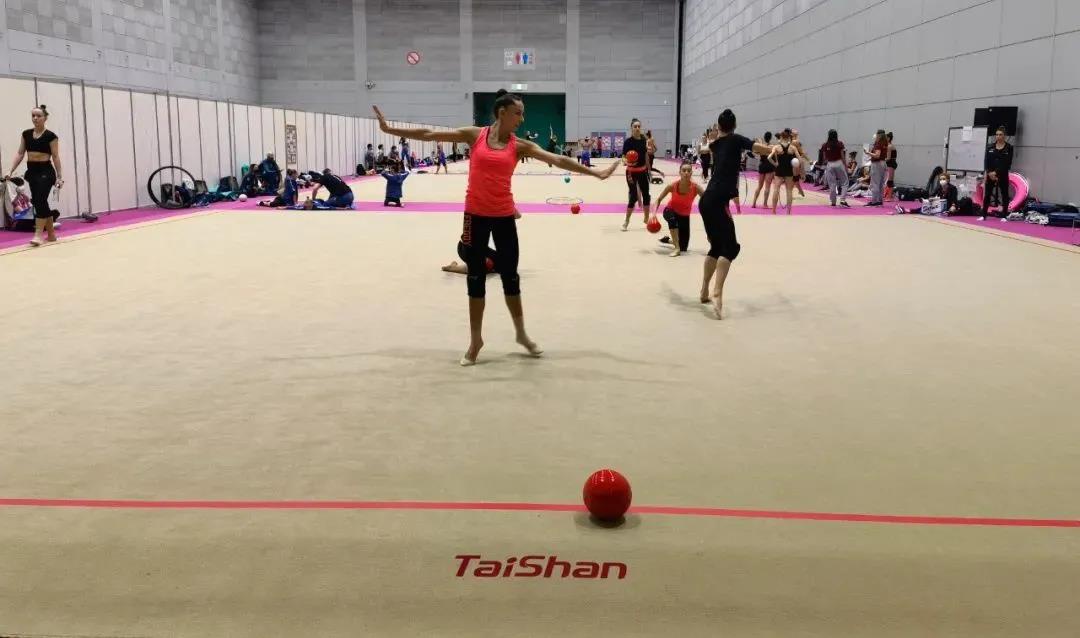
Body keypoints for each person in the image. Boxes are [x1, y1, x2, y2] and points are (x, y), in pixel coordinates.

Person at [373, 89, 619, 366]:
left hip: (503, 217)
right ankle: (475, 341)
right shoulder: (475, 135)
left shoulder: (519, 145)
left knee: (510, 276)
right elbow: (429, 134)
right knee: (475, 278)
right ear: (502, 113)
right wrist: (389, 129)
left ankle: (521, 334)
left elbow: (557, 159)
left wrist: (595, 172)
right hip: (474, 216)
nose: (522, 119)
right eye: (518, 113)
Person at [699, 109, 774, 319]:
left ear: (719, 126)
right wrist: (775, 148)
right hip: (717, 201)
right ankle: (717, 292)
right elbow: (757, 147)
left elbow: (707, 147)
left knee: (716, 247)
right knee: (730, 247)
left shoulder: (715, 144)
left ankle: (704, 290)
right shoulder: (735, 139)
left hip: (706, 201)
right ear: (734, 126)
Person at [5, 105, 64, 246]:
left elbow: (55, 157)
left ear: (45, 118)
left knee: (39, 200)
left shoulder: (51, 136)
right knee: (39, 202)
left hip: (46, 171)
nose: (35, 118)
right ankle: (51, 234)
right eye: (33, 116)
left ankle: (38, 234)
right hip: (32, 171)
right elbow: (20, 153)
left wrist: (59, 177)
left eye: (38, 116)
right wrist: (10, 170)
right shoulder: (26, 134)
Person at [652, 161, 704, 257]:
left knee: (684, 247)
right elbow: (658, 199)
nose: (686, 173)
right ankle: (676, 248)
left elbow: (707, 200)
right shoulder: (672, 186)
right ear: (680, 172)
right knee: (672, 220)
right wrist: (654, 215)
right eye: (684, 170)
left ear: (691, 173)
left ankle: (669, 240)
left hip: (684, 216)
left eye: (689, 171)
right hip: (670, 211)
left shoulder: (696, 187)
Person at [621, 118, 651, 231]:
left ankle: (646, 218)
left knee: (646, 195)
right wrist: (625, 161)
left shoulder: (644, 140)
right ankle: (626, 221)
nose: (637, 128)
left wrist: (649, 169)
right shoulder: (628, 142)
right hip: (631, 172)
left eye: (639, 126)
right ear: (631, 128)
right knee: (633, 196)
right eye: (635, 126)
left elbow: (647, 154)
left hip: (642, 171)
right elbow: (623, 156)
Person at [983, 126, 1013, 216]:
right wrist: (989, 173)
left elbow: (1007, 163)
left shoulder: (1009, 147)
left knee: (1004, 194)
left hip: (1002, 174)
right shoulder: (990, 147)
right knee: (987, 194)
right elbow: (986, 161)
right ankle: (983, 215)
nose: (998, 136)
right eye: (997, 135)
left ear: (1004, 136)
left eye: (1000, 135)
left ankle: (1004, 215)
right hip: (990, 174)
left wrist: (996, 173)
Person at [768, 129, 798, 215]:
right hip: (789, 170)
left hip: (779, 169)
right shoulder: (793, 148)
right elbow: (799, 160)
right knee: (789, 191)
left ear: (781, 137)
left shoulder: (776, 147)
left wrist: (775, 164)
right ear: (788, 138)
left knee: (776, 189)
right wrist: (796, 166)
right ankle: (788, 212)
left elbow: (769, 158)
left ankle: (773, 211)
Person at [820, 130, 850, 208]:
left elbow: (824, 158)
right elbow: (842, 156)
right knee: (845, 182)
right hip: (839, 163)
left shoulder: (825, 145)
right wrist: (846, 166)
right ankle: (842, 200)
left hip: (830, 164)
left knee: (832, 184)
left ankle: (833, 201)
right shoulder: (840, 143)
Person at [750, 131, 774, 208]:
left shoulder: (761, 146)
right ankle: (765, 204)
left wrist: (759, 143)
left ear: (764, 137)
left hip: (762, 165)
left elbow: (755, 152)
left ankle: (754, 203)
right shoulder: (772, 146)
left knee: (759, 186)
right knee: (767, 186)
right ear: (770, 138)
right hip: (769, 165)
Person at [865, 129, 889, 206]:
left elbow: (877, 155)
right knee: (881, 183)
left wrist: (868, 153)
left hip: (877, 164)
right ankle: (879, 200)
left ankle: (874, 201)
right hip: (883, 163)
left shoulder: (878, 144)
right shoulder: (885, 143)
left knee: (875, 182)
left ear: (878, 135)